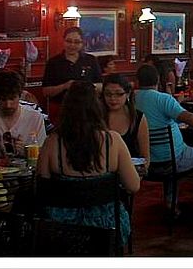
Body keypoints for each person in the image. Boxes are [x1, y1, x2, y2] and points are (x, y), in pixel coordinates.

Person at [38, 81, 140, 250]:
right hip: (107, 227)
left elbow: (42, 188)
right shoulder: (113, 141)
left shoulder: (52, 142)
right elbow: (134, 186)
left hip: (62, 229)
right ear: (97, 107)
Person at [133, 63, 193, 176]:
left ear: (137, 81)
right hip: (174, 158)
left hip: (143, 161)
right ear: (158, 80)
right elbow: (191, 119)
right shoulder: (163, 99)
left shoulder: (130, 99)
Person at [41, 27, 102, 122]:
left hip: (87, 108)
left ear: (82, 43)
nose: (72, 45)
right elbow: (46, 92)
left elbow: (100, 85)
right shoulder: (53, 62)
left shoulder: (91, 60)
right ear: (63, 41)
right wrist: (64, 86)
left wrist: (86, 86)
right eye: (69, 41)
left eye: (77, 42)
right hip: (61, 109)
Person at [102, 74, 150, 163]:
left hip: (132, 169)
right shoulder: (98, 116)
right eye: (108, 94)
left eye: (118, 94)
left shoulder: (137, 117)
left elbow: (145, 157)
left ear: (127, 94)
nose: (113, 98)